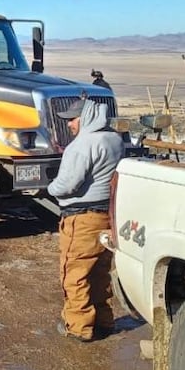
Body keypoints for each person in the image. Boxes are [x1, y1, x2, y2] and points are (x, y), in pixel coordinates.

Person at [47, 97, 125, 343]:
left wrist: (49, 188)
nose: (69, 124)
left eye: (73, 119)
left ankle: (79, 326)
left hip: (81, 219)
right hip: (106, 216)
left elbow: (68, 185)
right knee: (100, 271)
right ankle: (103, 321)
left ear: (87, 116)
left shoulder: (82, 145)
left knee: (75, 273)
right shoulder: (114, 139)